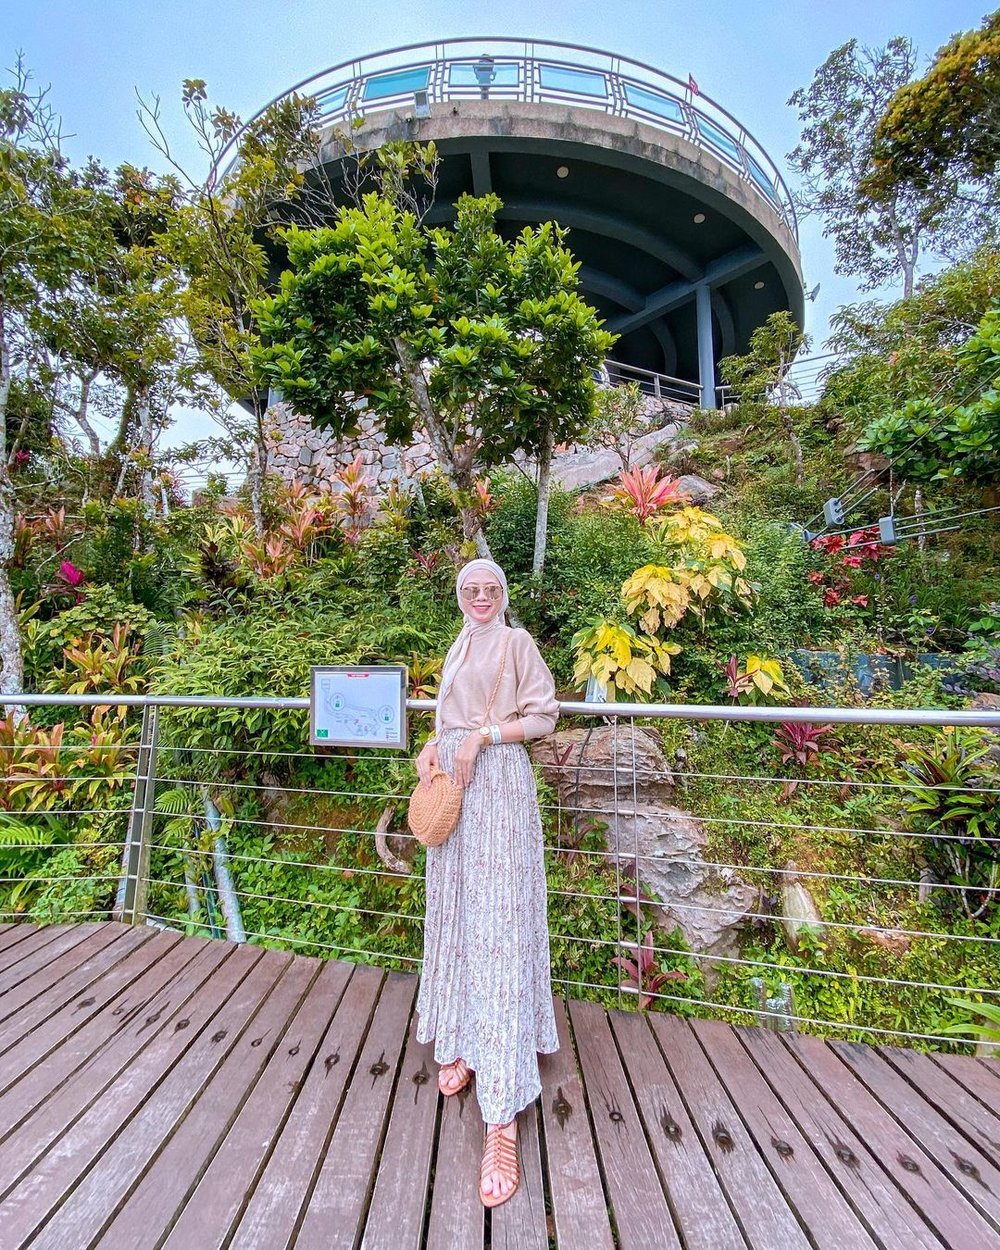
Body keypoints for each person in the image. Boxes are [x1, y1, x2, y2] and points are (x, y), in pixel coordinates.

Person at [414, 558, 560, 1208]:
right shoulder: (460, 643)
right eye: (470, 589)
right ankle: (467, 1037)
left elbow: (543, 717)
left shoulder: (514, 641)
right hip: (456, 790)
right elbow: (451, 715)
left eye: (490, 589)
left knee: (498, 925)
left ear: (503, 594)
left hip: (497, 788)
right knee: (459, 918)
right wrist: (435, 744)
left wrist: (483, 737)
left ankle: (501, 1117)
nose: (480, 597)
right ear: (459, 595)